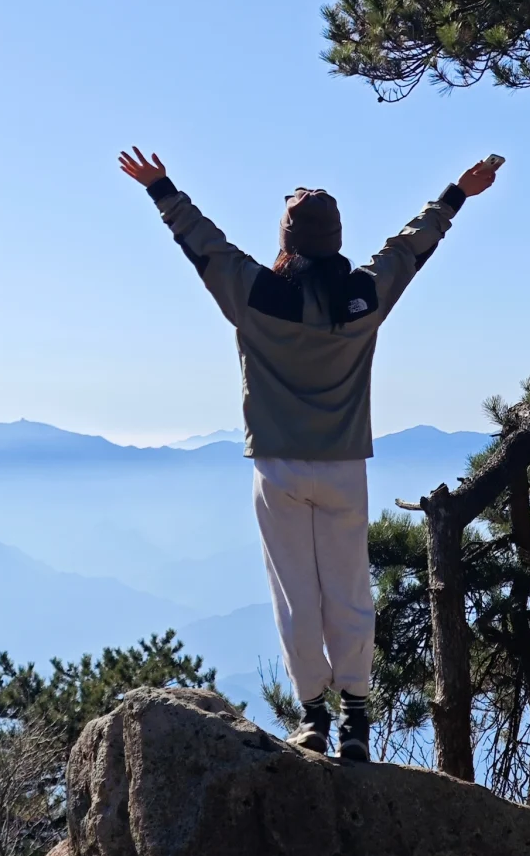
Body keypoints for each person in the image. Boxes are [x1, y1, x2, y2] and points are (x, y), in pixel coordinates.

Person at [118, 146, 499, 762]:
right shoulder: (364, 299)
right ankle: (355, 721)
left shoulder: (255, 297)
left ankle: (314, 717)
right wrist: (455, 194)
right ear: (337, 239)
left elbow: (205, 246)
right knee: (349, 591)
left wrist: (162, 190)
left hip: (278, 466)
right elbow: (410, 250)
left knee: (296, 597)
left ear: (288, 241)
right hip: (345, 466)